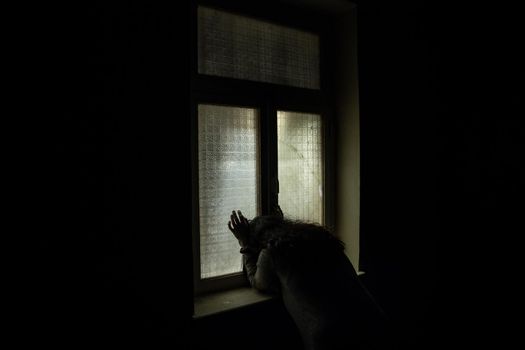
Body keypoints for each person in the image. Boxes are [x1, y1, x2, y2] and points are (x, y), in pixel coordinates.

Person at [228, 208, 393, 350]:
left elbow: (259, 282)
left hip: (333, 337)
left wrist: (245, 244)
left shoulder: (272, 253)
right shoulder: (320, 238)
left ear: (258, 241)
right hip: (371, 319)